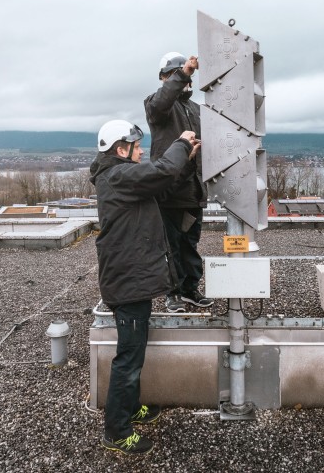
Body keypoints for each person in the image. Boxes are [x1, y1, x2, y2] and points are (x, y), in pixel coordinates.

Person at [89, 119, 201, 455]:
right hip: (128, 283)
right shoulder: (118, 175)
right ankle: (117, 431)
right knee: (129, 359)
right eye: (137, 147)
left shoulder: (122, 179)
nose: (141, 152)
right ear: (121, 149)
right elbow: (159, 171)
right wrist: (181, 143)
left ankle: (131, 406)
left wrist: (185, 162)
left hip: (130, 280)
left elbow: (162, 184)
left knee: (134, 350)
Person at [144, 52, 213, 313]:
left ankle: (190, 290)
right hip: (169, 192)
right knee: (169, 247)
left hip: (193, 192)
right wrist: (183, 72)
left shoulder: (196, 110)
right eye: (175, 75)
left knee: (189, 245)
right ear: (164, 78)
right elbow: (162, 101)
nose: (184, 81)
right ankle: (171, 294)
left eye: (184, 76)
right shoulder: (157, 106)